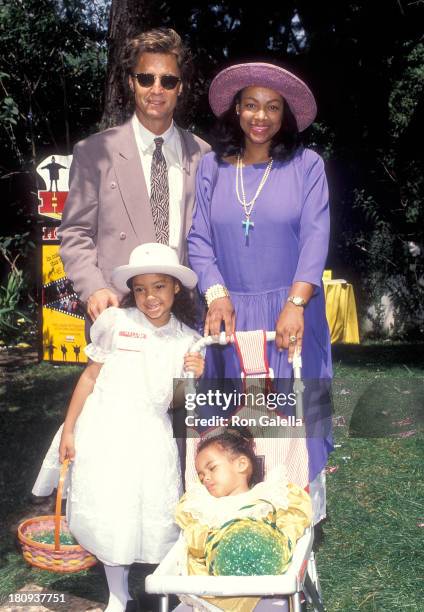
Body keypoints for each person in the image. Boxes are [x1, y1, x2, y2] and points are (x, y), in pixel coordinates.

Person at [187, 62, 333, 521]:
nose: (260, 116)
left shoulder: (307, 165)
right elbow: (199, 238)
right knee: (233, 414)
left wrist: (296, 303)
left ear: (285, 115)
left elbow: (315, 236)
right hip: (229, 312)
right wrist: (215, 293)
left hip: (290, 310)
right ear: (236, 108)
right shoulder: (211, 166)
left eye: (272, 107)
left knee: (292, 413)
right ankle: (231, 511)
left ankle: (294, 512)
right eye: (251, 104)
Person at [32, 243, 205, 612]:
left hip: (150, 434)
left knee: (150, 509)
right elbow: (89, 378)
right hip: (104, 429)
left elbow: (176, 406)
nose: (149, 297)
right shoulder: (115, 323)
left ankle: (166, 589)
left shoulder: (188, 340)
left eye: (159, 286)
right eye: (140, 289)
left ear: (176, 287)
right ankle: (117, 593)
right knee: (110, 507)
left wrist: (192, 378)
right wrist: (69, 429)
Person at [58, 28, 210, 322]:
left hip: (186, 318)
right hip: (118, 312)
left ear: (180, 87)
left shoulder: (203, 154)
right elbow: (75, 233)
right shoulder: (94, 152)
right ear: (131, 83)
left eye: (168, 80)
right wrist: (95, 289)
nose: (156, 89)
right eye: (145, 78)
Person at [173, 429, 312, 612]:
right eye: (200, 475)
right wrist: (214, 541)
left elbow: (290, 524)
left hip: (264, 589)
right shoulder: (205, 507)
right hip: (212, 591)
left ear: (241, 464)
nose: (205, 477)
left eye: (212, 468)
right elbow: (194, 539)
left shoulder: (268, 498)